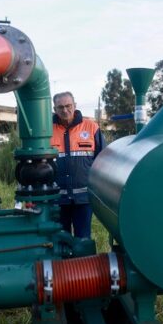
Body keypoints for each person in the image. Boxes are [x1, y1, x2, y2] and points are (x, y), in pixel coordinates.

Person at [50, 91, 105, 239]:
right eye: (60, 107)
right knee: (61, 241)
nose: (65, 110)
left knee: (83, 240)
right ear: (55, 109)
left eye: (68, 106)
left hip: (83, 199)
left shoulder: (91, 127)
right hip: (57, 199)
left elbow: (103, 159)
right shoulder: (47, 130)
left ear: (74, 105)